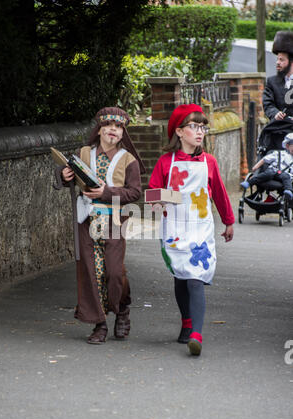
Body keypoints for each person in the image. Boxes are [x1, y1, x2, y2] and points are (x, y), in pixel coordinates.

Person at [148, 104, 235, 356]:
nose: (200, 132)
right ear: (179, 131)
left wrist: (229, 220)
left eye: (203, 127)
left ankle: (195, 333)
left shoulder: (209, 162)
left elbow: (218, 192)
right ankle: (186, 321)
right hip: (174, 228)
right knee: (181, 276)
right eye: (194, 126)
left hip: (200, 229)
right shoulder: (166, 162)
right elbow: (153, 191)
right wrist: (158, 200)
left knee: (196, 277)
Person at [54, 107, 145, 344]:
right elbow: (67, 177)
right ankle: (100, 324)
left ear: (123, 132)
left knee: (114, 272)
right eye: (108, 126)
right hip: (87, 220)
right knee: (92, 273)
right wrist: (64, 176)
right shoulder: (83, 153)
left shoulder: (129, 160)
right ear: (100, 129)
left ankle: (122, 308)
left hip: (114, 222)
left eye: (118, 127)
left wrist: (107, 192)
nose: (113, 130)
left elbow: (135, 192)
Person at [241, 133, 293, 200]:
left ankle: (288, 191)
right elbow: (265, 159)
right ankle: (249, 182)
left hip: (284, 175)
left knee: (286, 177)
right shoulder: (278, 153)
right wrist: (256, 167)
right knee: (268, 173)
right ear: (287, 146)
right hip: (273, 170)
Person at [262, 31, 293, 121]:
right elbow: (268, 104)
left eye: (281, 60)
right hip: (278, 128)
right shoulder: (272, 82)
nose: (277, 63)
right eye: (277, 59)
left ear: (291, 63)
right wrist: (275, 113)